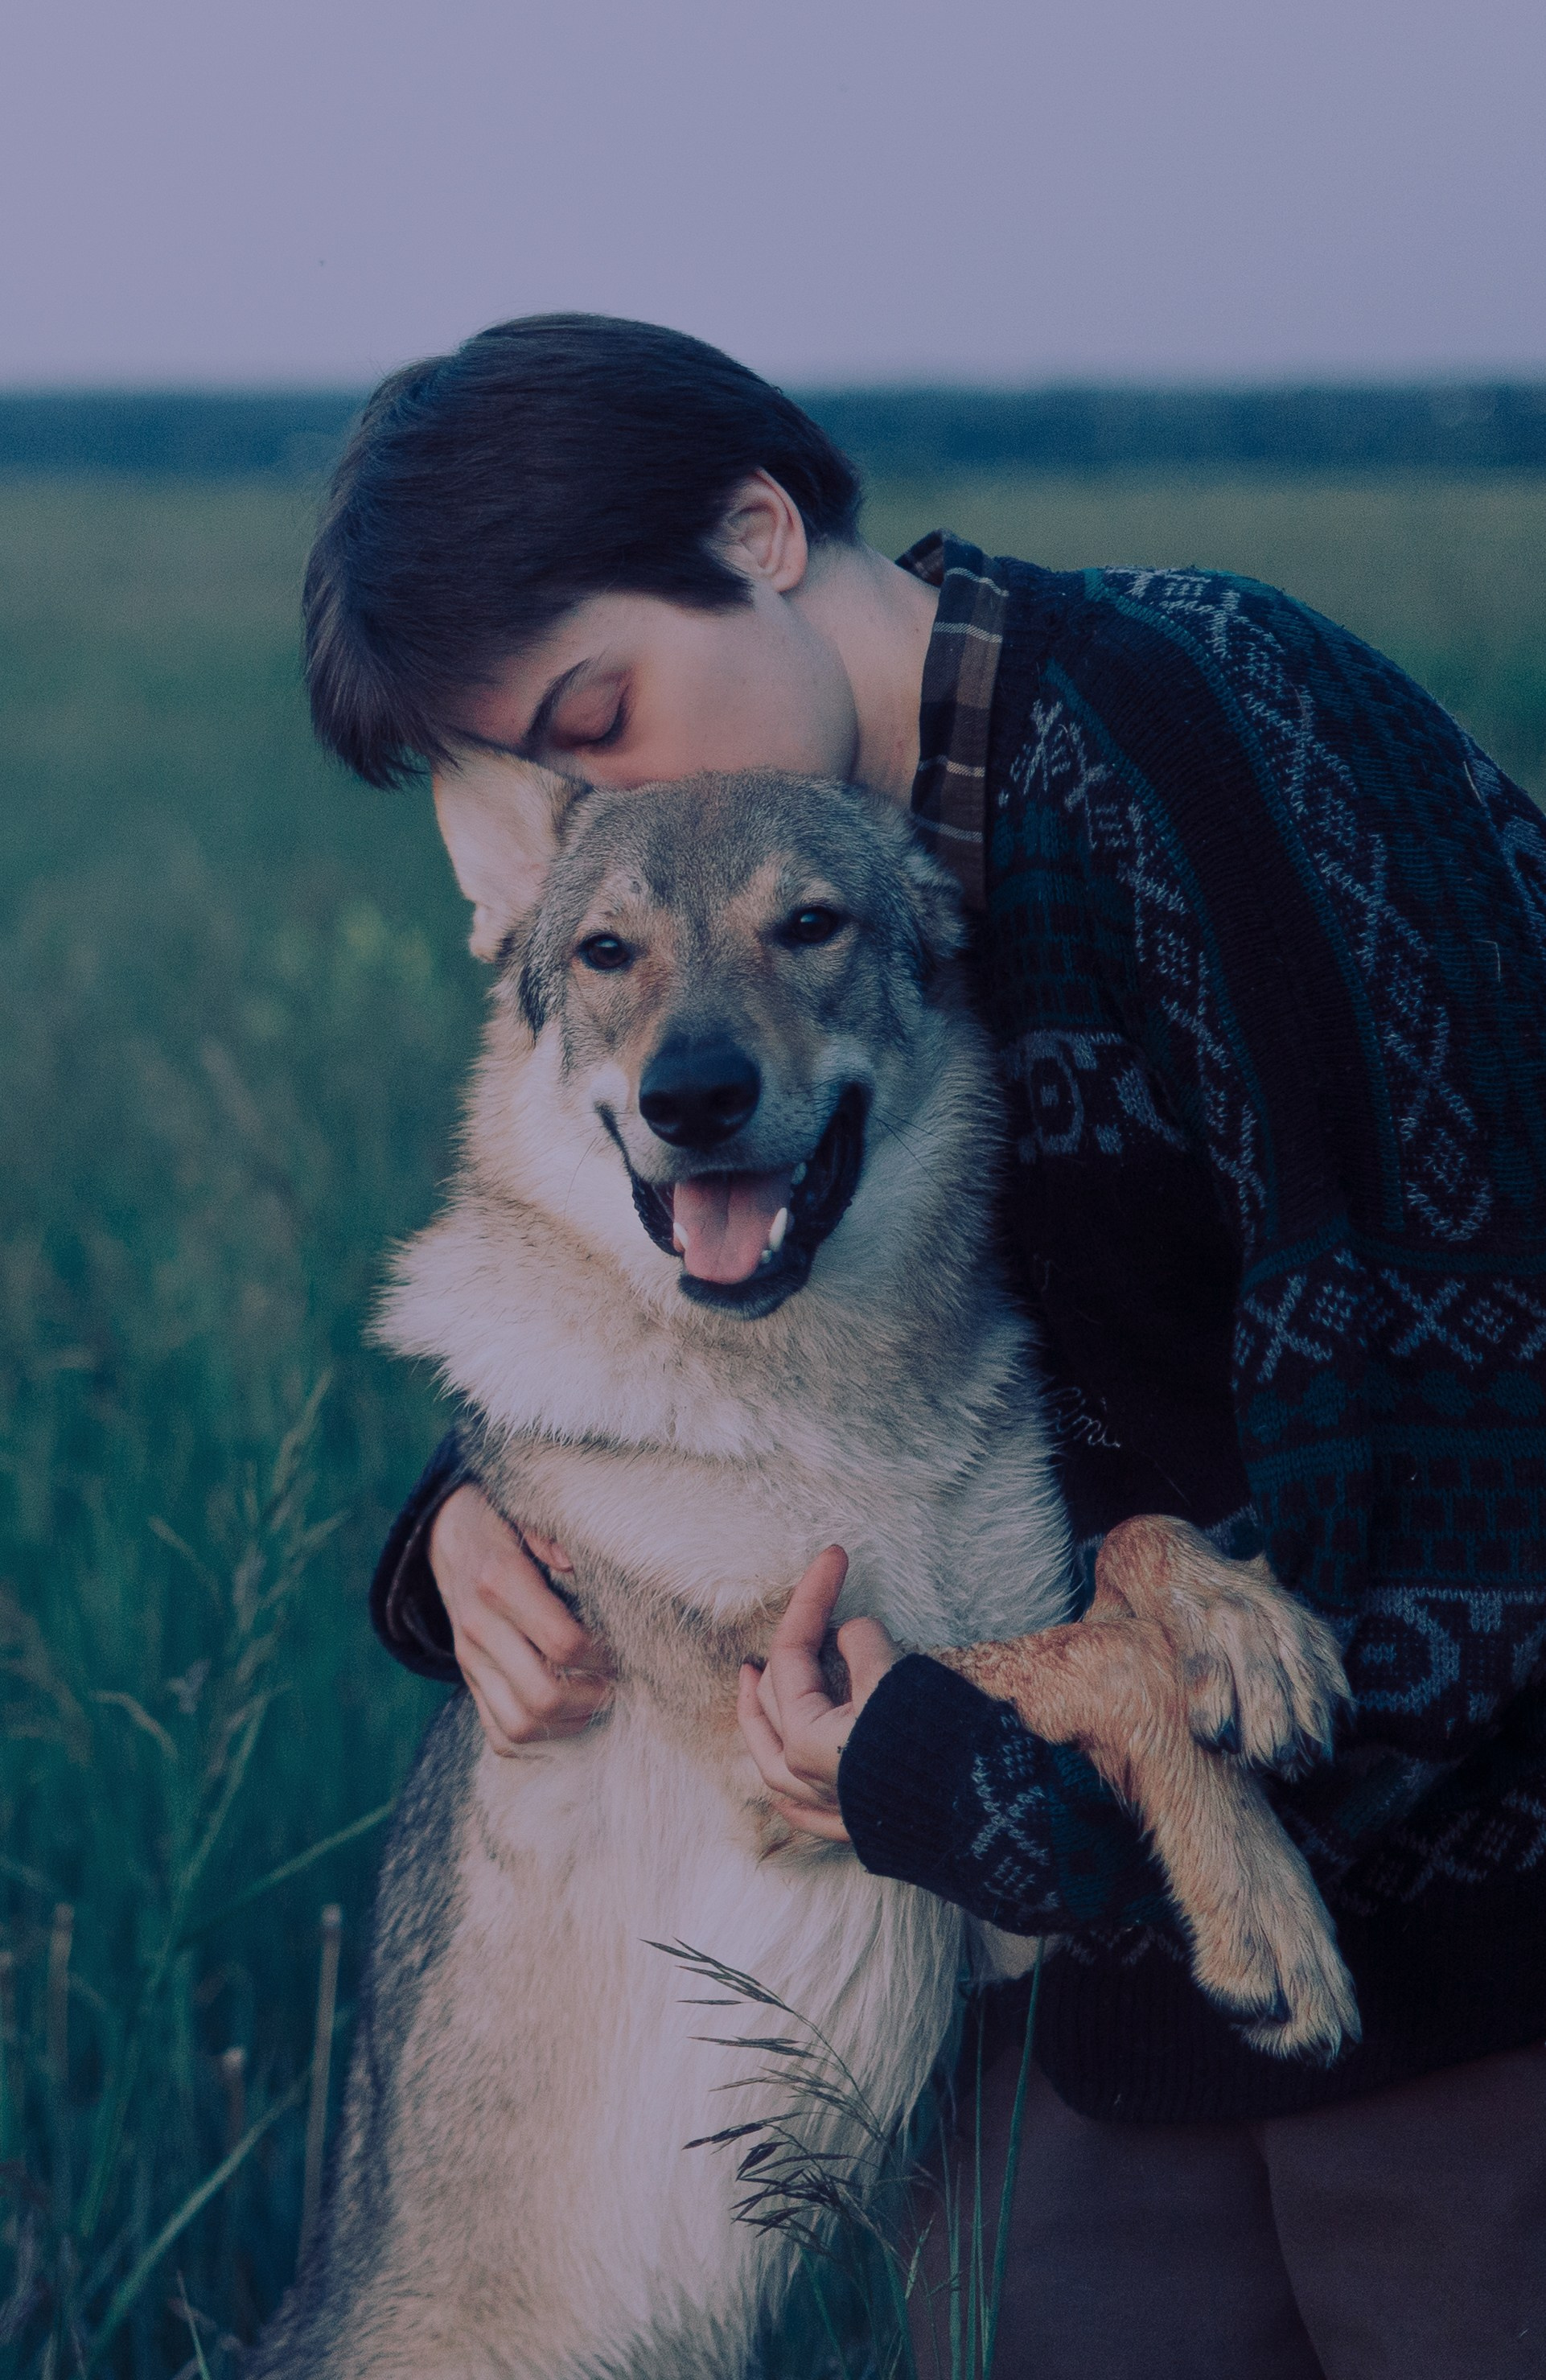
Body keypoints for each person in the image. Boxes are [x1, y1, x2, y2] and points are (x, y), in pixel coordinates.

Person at [305, 314, 1546, 2379]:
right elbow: (876, 1332)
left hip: (1442, 1917)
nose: (607, 812)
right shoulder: (873, 839)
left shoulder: (1197, 731)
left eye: (597, 713)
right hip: (1092, 1953)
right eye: (539, 783)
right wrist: (492, 1513)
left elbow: (1455, 1457)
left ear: (762, 529)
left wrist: (954, 1778)